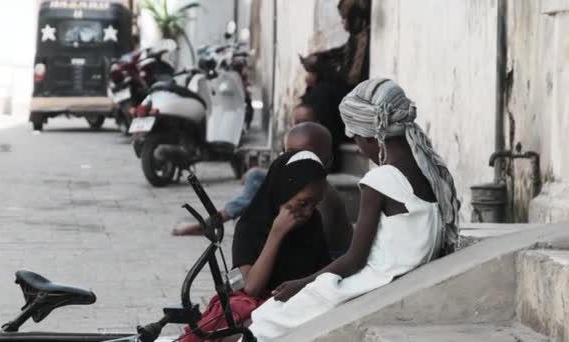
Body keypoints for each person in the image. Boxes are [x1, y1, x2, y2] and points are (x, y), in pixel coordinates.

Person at [246, 79, 461, 341]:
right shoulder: (429, 173)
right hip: (395, 277)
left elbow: (354, 260)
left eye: (357, 139)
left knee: (268, 318)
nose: (358, 148)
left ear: (372, 137)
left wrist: (301, 284)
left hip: (372, 282)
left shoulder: (380, 180)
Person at [178, 151, 331, 342]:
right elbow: (251, 287)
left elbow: (324, 273)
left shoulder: (313, 224)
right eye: (302, 203)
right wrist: (277, 233)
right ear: (284, 191)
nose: (308, 212)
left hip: (297, 303)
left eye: (314, 204)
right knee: (245, 329)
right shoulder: (251, 225)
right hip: (257, 305)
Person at [172, 123, 354, 259]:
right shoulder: (293, 181)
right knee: (257, 178)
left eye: (306, 156)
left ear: (327, 161)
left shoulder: (324, 197)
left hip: (323, 266)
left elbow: (318, 254)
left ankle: (213, 221)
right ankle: (214, 220)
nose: (297, 162)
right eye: (289, 154)